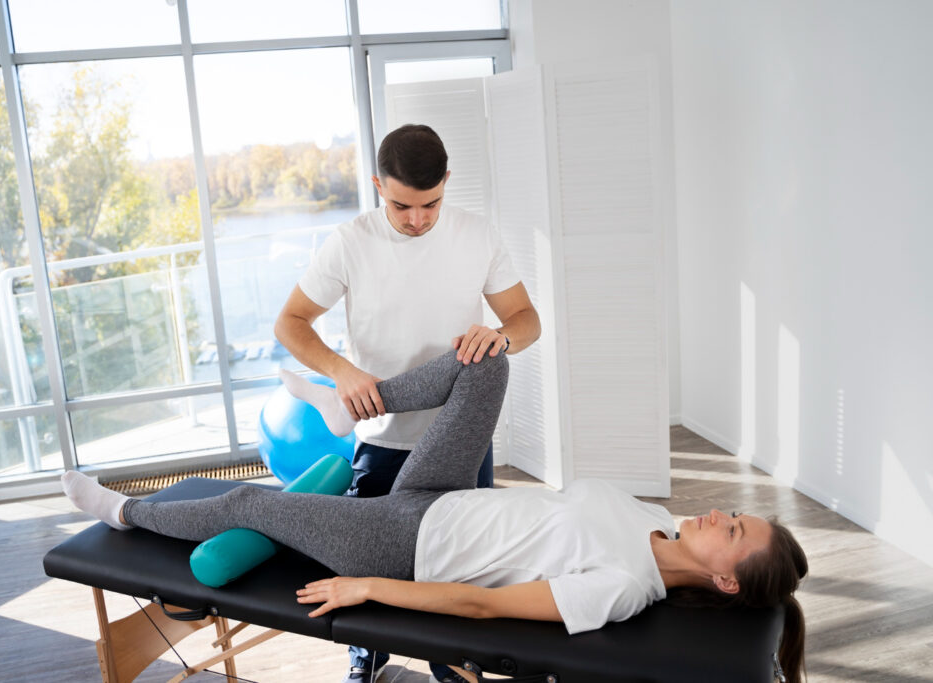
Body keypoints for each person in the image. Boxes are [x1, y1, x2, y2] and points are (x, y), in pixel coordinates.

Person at [63, 351, 809, 683]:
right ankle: (350, 403)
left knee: (253, 501)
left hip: (405, 544)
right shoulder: (656, 516)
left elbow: (481, 604)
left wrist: (369, 588)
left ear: (724, 578)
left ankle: (127, 511)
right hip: (444, 493)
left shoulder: (621, 586)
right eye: (736, 512)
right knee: (488, 362)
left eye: (734, 530)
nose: (720, 513)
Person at [273, 123, 541, 682]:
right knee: (369, 564)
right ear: (377, 185)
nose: (417, 219)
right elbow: (290, 323)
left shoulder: (478, 235)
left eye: (430, 204)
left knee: (464, 571)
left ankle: (456, 669)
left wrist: (502, 338)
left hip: (461, 440)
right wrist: (341, 370)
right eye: (401, 206)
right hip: (382, 439)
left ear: (447, 182)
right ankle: (365, 662)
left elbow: (526, 319)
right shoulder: (349, 243)